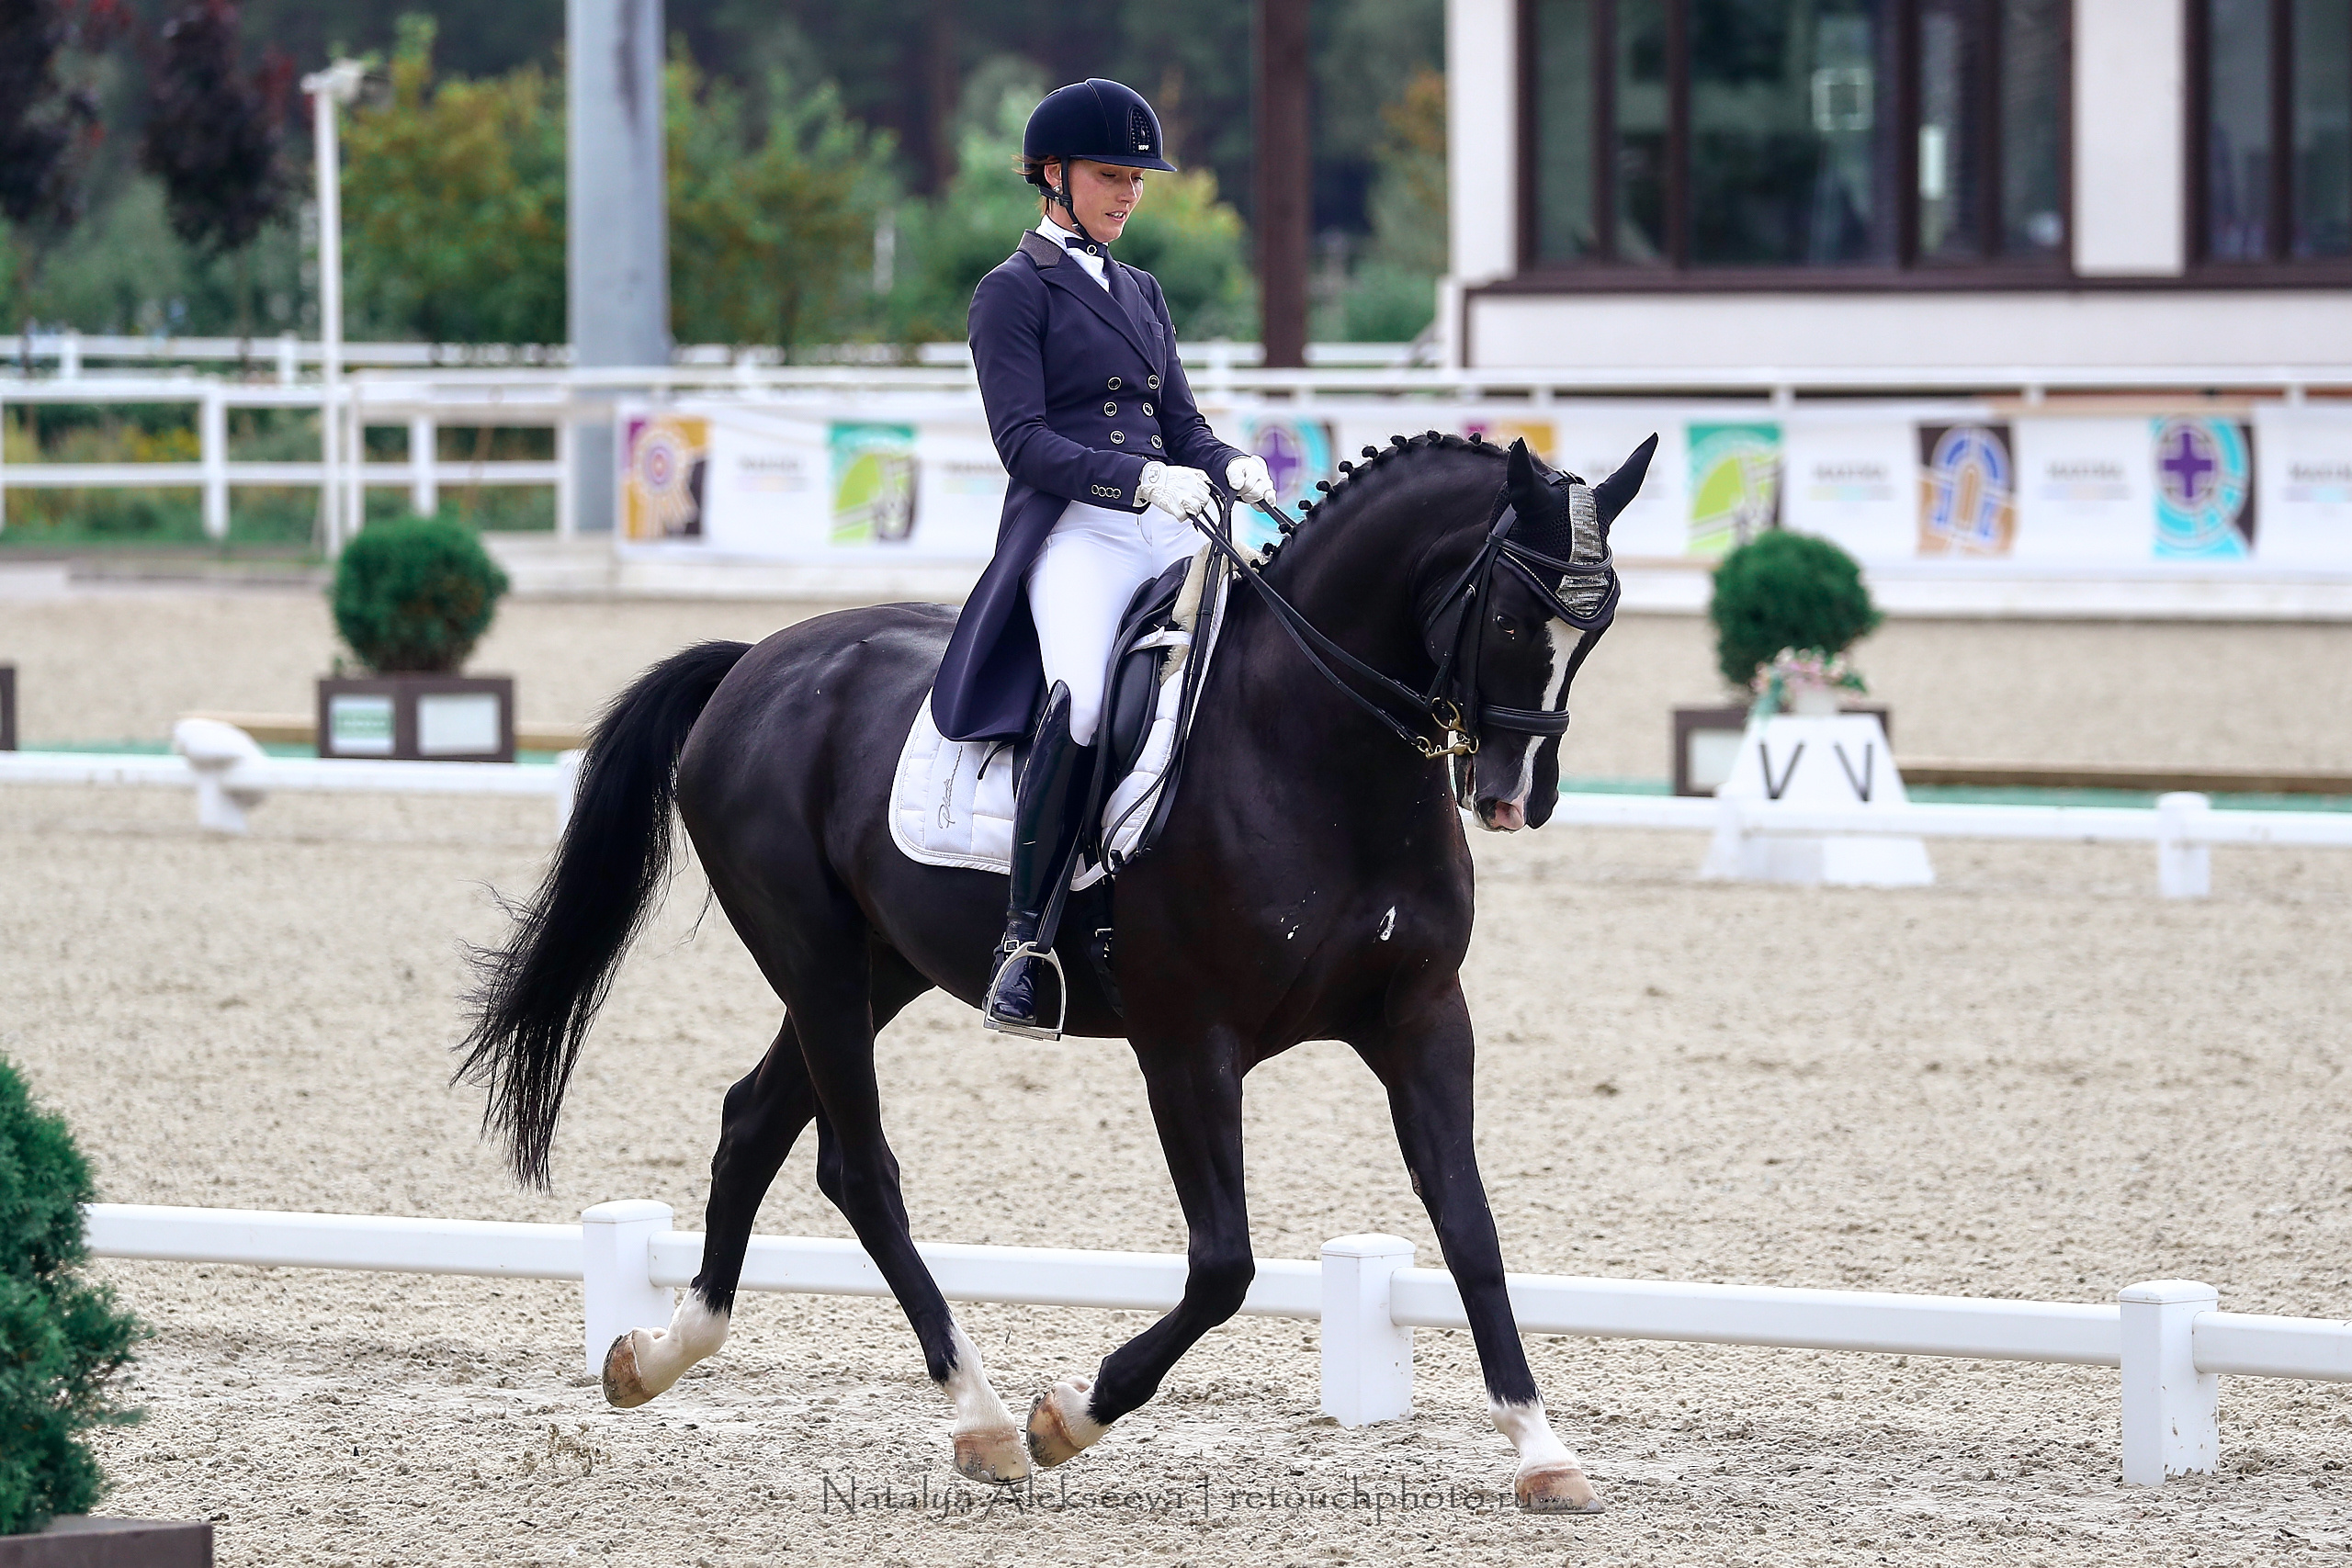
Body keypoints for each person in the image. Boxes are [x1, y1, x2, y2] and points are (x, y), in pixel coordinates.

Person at [931, 77, 1276, 1040]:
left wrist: (1223, 461)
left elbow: (1181, 423)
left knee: (1246, 668)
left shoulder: (1142, 290)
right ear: (1053, 176)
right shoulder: (1009, 292)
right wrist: (1139, 482)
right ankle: (1026, 939)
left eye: (1137, 178)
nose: (1128, 195)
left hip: (1168, 521)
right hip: (1075, 531)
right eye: (1110, 176)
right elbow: (1023, 442)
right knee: (1081, 696)